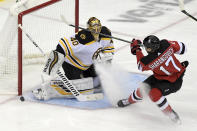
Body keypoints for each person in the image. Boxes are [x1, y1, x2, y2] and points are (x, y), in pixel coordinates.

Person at [32, 17, 115, 100]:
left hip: (88, 64)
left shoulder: (106, 34)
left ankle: (84, 76)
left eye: (98, 28)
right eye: (94, 29)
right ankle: (47, 89)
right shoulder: (83, 38)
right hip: (72, 64)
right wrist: (53, 61)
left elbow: (108, 49)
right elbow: (62, 45)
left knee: (96, 80)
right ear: (89, 28)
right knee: (76, 86)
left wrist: (107, 63)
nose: (96, 31)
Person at [117, 35, 188, 124]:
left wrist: (137, 49)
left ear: (153, 48)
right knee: (142, 89)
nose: (147, 50)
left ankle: (171, 114)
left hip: (174, 81)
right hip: (161, 76)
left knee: (154, 94)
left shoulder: (149, 60)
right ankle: (128, 101)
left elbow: (140, 66)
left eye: (148, 48)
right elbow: (183, 48)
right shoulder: (165, 43)